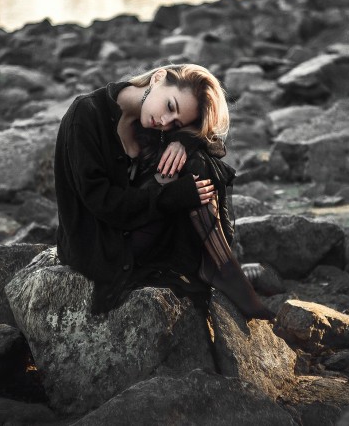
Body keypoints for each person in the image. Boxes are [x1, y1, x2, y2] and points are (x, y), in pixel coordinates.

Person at [54, 63, 275, 320]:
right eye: (170, 106)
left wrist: (184, 140)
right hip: (99, 242)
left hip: (135, 227)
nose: (165, 122)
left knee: (198, 162)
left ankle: (220, 265)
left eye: (176, 122)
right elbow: (102, 202)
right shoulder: (86, 114)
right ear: (158, 77)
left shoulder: (155, 123)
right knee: (193, 173)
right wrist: (171, 197)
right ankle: (222, 269)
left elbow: (215, 146)